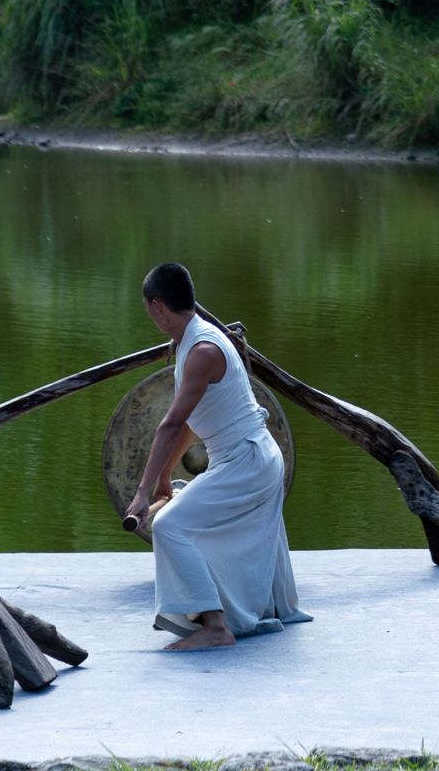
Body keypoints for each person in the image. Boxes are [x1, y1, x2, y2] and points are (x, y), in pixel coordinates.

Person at [123, 261, 306, 651]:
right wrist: (164, 472)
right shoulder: (190, 341)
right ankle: (232, 612)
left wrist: (141, 496)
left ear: (157, 306)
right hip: (246, 460)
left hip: (248, 463)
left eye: (148, 310)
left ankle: (216, 628)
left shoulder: (204, 348)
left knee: (169, 526)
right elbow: (192, 418)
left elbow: (170, 424)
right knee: (184, 512)